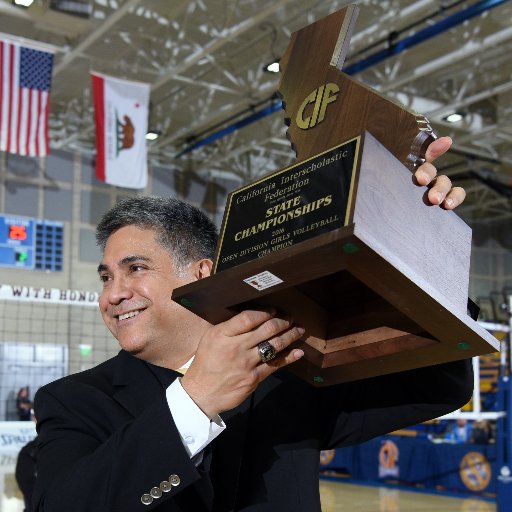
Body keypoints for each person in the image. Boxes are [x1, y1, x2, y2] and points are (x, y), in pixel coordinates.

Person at [33, 137, 472, 511]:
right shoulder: (73, 401)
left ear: (202, 273)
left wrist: (417, 230)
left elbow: (438, 386)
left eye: (136, 269)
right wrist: (195, 400)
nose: (113, 294)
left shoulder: (290, 374)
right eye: (107, 276)